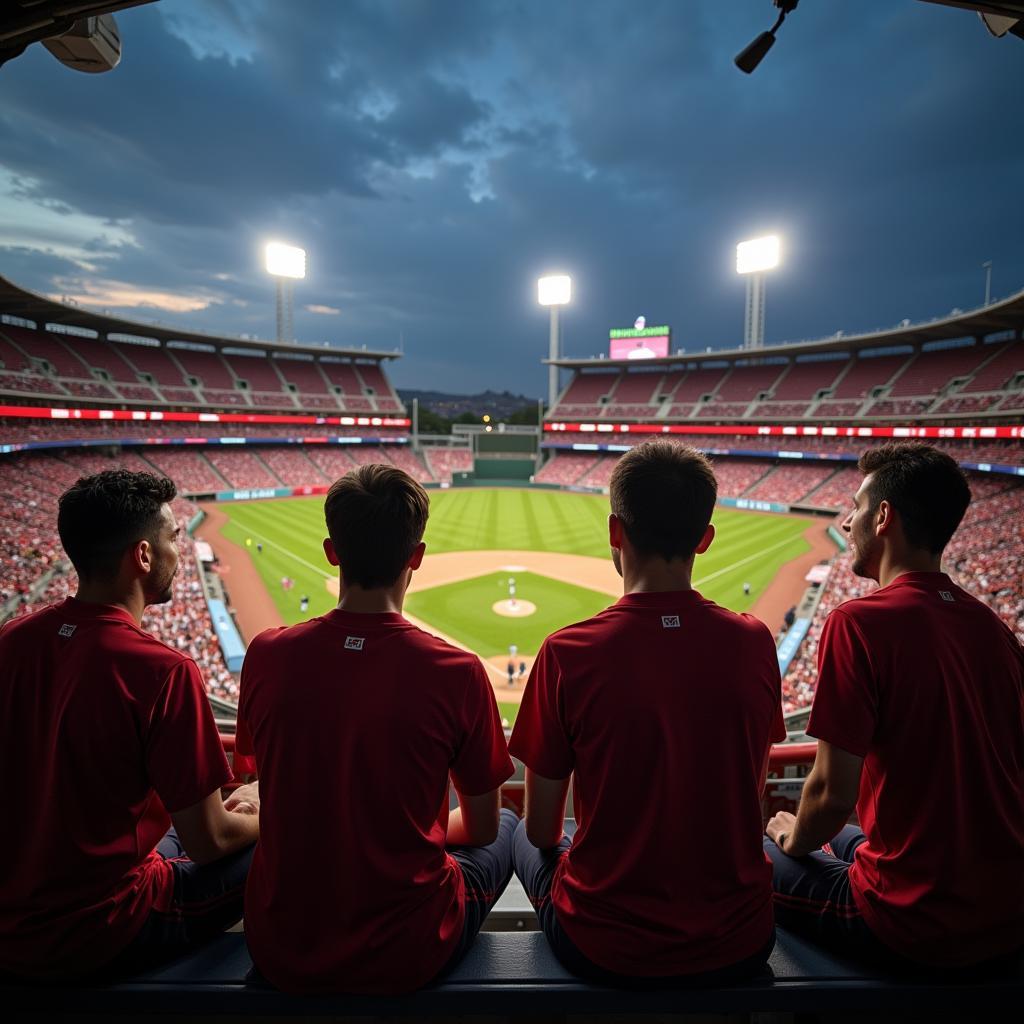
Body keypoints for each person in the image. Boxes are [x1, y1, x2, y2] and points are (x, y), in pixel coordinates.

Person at [510, 441, 784, 985]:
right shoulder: (754, 641)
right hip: (742, 939)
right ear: (704, 539)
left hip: (602, 944)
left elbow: (543, 830)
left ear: (615, 532)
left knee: (512, 832)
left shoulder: (568, 651)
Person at [235, 465, 515, 994]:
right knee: (509, 827)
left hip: (278, 944)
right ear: (417, 557)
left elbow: (258, 777)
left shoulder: (267, 654)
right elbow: (479, 830)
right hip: (411, 948)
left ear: (331, 550)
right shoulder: (457, 672)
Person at [765, 442, 1024, 970]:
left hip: (913, 921)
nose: (848, 519)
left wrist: (792, 840)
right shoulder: (996, 630)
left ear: (883, 517)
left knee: (765, 852)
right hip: (1008, 911)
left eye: (856, 507)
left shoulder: (859, 622)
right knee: (840, 836)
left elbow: (832, 794)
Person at [0, 470, 258, 980]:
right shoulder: (161, 669)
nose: (178, 555)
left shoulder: (13, 638)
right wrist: (267, 809)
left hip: (12, 915)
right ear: (142, 556)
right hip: (98, 926)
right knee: (286, 832)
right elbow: (209, 841)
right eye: (172, 541)